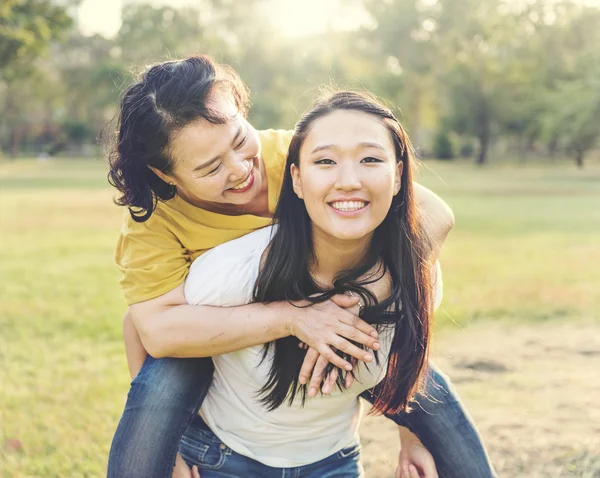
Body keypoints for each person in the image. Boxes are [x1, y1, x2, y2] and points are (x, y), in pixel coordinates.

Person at [106, 56, 496, 478]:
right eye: (211, 168)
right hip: (214, 334)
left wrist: (359, 300)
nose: (240, 170)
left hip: (344, 321)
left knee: (436, 405)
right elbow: (154, 331)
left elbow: (431, 216)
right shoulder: (153, 222)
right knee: (162, 387)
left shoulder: (296, 156)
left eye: (240, 140)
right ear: (164, 174)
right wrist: (294, 318)